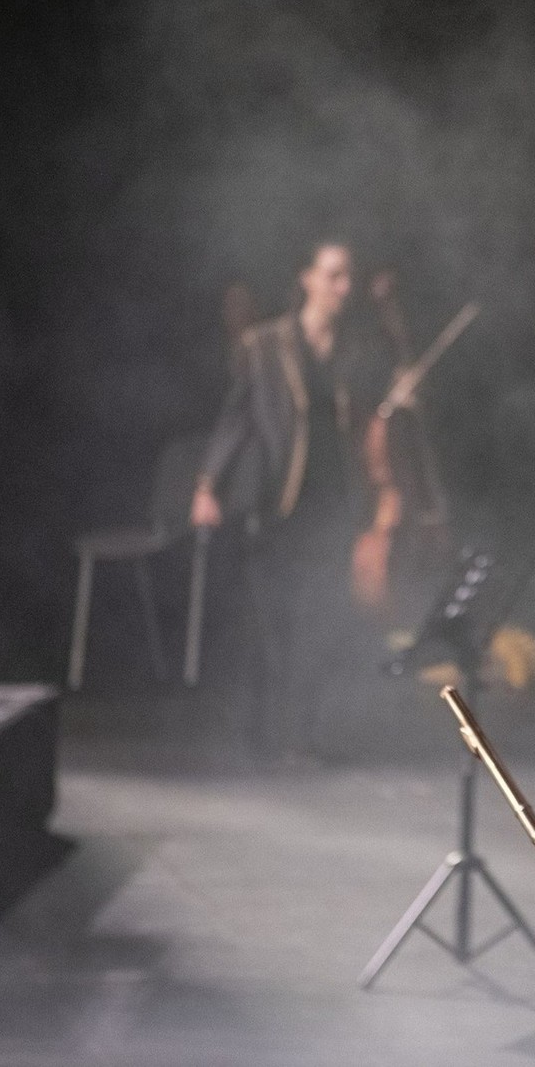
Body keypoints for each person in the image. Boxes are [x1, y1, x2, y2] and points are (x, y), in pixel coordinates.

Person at [191, 241, 384, 762]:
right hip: (274, 503)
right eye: (333, 276)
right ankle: (258, 731)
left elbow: (363, 420)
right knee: (267, 621)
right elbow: (237, 417)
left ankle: (302, 735)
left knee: (317, 622)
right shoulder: (266, 345)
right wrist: (209, 484)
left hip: (331, 506)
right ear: (307, 278)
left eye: (348, 277)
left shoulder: (352, 350)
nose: (343, 287)